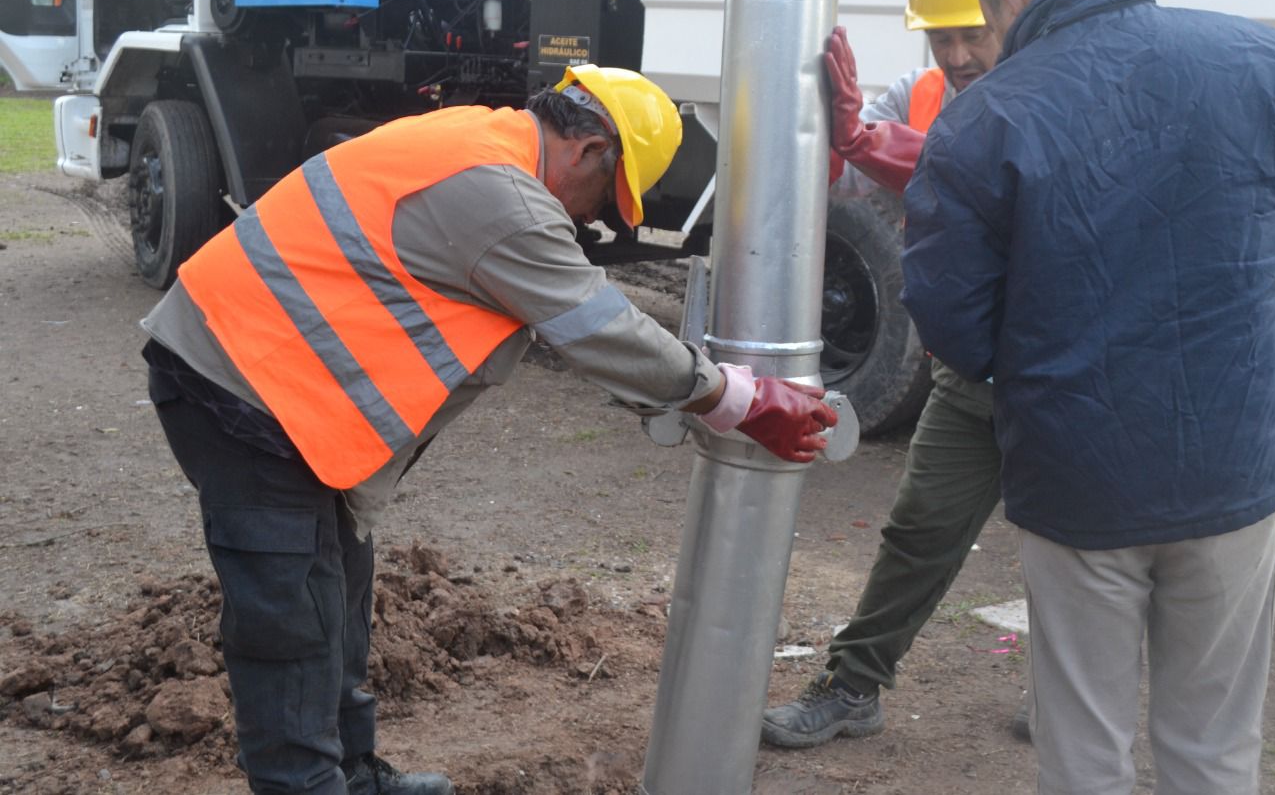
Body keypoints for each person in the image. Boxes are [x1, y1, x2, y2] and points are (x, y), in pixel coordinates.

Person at [140, 66, 838, 795]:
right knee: (290, 624)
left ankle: (353, 775)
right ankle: (307, 783)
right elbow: (600, 328)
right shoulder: (502, 196)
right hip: (240, 385)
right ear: (593, 150)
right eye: (606, 201)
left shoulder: (479, 140)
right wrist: (737, 400)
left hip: (278, 385)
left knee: (337, 589)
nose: (592, 223)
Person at [900, 0, 1275, 794]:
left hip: (1080, 478)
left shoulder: (982, 121)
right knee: (1216, 745)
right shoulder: (1261, 58)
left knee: (1084, 751)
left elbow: (952, 324)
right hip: (1238, 462)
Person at [762, 0, 1016, 750]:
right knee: (919, 528)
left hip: (1063, 371)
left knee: (1079, 550)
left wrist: (870, 143)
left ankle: (1081, 699)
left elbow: (982, 169)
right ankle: (853, 686)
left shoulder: (1057, 90)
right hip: (972, 371)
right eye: (941, 35)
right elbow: (851, 171)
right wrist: (833, 133)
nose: (959, 52)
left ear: (1012, 11)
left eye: (973, 31)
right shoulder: (925, 91)